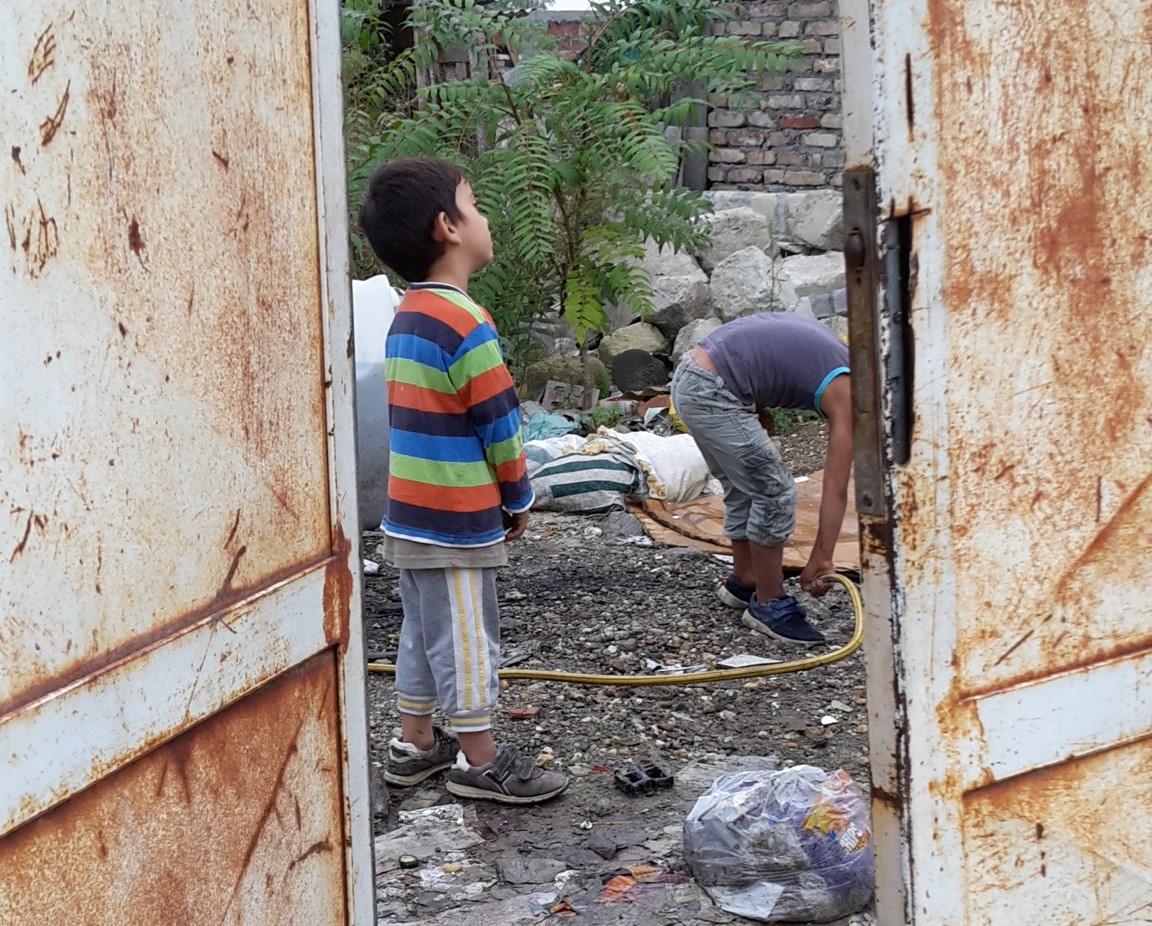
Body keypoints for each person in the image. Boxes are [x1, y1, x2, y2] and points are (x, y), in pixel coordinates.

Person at [359, 157, 568, 803]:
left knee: (423, 630)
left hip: (410, 514)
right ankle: (480, 760)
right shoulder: (466, 321)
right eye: (474, 206)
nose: (486, 217)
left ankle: (415, 743)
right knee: (470, 637)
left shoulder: (408, 315)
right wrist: (517, 494)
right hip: (455, 518)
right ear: (448, 227)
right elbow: (500, 424)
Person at [669, 313, 852, 645]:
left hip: (692, 377)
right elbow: (836, 488)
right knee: (775, 491)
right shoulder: (851, 395)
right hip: (712, 391)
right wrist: (821, 557)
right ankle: (769, 603)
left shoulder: (841, 359)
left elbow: (764, 355)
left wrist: (756, 406)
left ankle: (746, 579)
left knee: (743, 487)